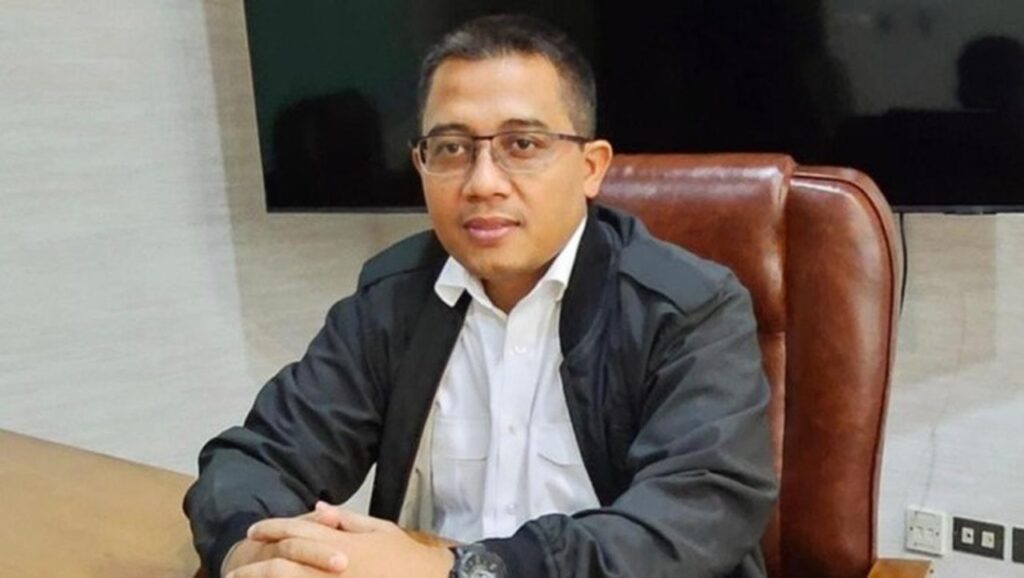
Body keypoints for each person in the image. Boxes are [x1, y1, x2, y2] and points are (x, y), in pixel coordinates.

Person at [184, 13, 777, 578]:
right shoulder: (392, 299)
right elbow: (256, 459)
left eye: (522, 145)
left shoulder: (688, 309)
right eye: (451, 148)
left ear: (591, 167)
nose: (482, 183)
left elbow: (693, 518)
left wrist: (464, 569)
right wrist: (245, 551)